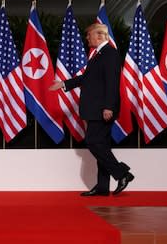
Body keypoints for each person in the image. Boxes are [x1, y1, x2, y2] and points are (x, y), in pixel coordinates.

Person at [49, 23, 134, 196]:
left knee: (93, 142)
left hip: (102, 109)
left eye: (89, 35)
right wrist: (64, 84)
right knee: (101, 145)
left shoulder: (109, 53)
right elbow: (87, 78)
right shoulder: (98, 55)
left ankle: (122, 174)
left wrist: (109, 106)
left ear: (100, 35)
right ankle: (102, 188)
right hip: (95, 109)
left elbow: (112, 82)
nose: (87, 38)